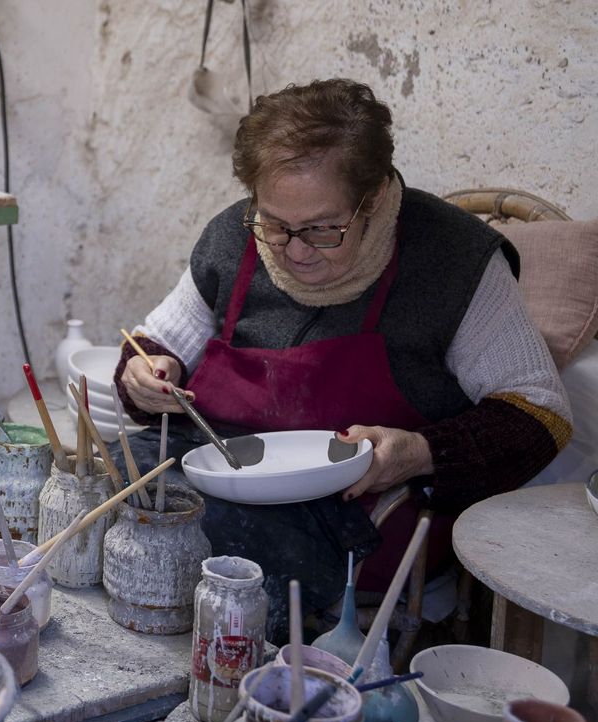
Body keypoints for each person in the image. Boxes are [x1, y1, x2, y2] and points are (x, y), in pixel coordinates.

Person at [114, 79, 569, 636]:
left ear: (373, 196)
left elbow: (541, 415)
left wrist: (420, 452)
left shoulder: (453, 260)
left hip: (355, 515)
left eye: (323, 229)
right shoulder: (235, 236)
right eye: (276, 223)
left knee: (211, 565)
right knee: (103, 484)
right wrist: (145, 375)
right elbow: (154, 347)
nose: (295, 250)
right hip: (222, 471)